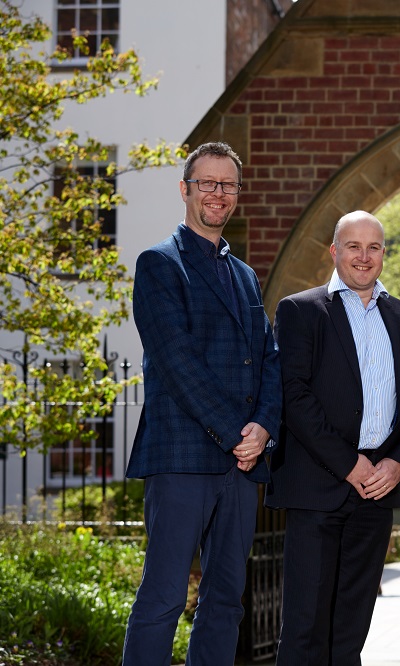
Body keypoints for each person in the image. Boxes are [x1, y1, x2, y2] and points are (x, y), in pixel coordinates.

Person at [122, 142, 282, 666]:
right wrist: (241, 433)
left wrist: (264, 426)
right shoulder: (159, 265)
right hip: (183, 457)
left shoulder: (244, 276)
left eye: (228, 184)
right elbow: (177, 363)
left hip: (241, 466)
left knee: (225, 601)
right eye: (208, 183)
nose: (219, 193)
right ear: (185, 189)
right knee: (164, 597)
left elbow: (268, 358)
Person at [265, 210, 400, 666]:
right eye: (353, 246)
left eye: (373, 246)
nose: (364, 256)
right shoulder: (301, 310)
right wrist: (349, 464)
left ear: (384, 254)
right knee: (304, 629)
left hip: (378, 489)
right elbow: (294, 397)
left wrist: (397, 464)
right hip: (319, 487)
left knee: (352, 629)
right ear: (335, 252)